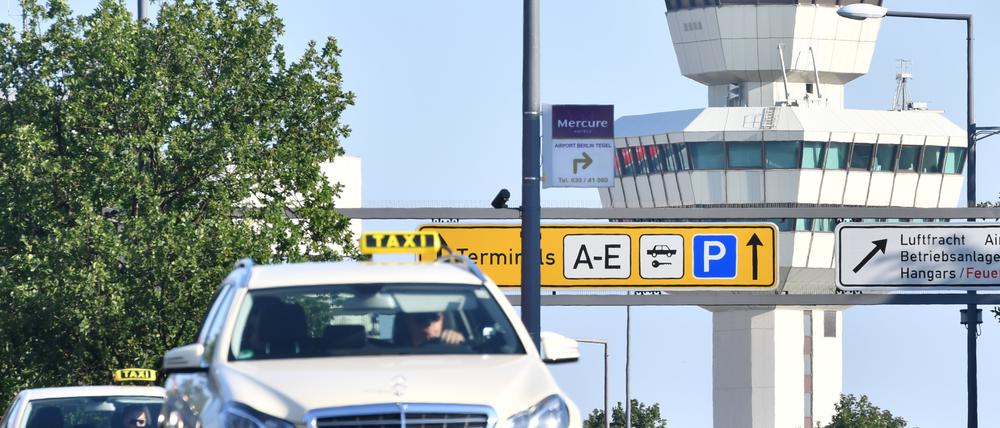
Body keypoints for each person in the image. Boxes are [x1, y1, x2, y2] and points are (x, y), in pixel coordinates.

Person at [400, 311, 465, 346]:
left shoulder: (455, 348)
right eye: (422, 318)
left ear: (443, 319)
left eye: (435, 317)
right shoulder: (393, 356)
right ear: (407, 322)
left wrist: (460, 343)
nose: (429, 324)